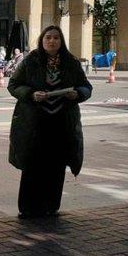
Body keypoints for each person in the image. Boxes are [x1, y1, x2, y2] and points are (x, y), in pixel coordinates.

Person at [8, 25, 91, 218]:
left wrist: (77, 94)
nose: (52, 41)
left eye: (55, 38)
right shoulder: (31, 61)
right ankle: (28, 207)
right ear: (42, 40)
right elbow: (13, 85)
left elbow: (86, 87)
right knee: (33, 166)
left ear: (61, 41)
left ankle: (51, 205)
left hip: (61, 123)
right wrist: (30, 94)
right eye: (48, 38)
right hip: (35, 123)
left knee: (56, 166)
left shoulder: (71, 62)